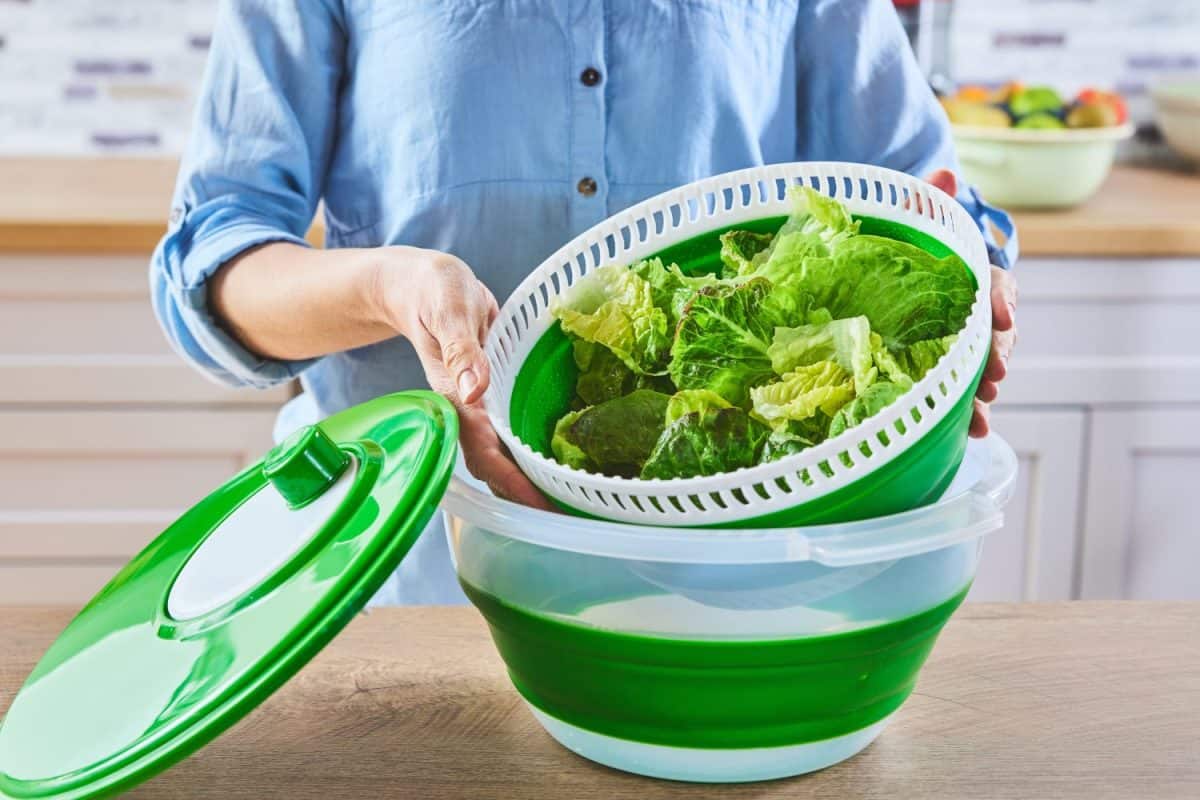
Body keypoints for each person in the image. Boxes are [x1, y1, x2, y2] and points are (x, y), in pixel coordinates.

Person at [151, 0, 1019, 604]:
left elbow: (921, 201)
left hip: (729, 592)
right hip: (403, 574)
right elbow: (218, 264)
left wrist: (971, 280)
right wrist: (390, 288)